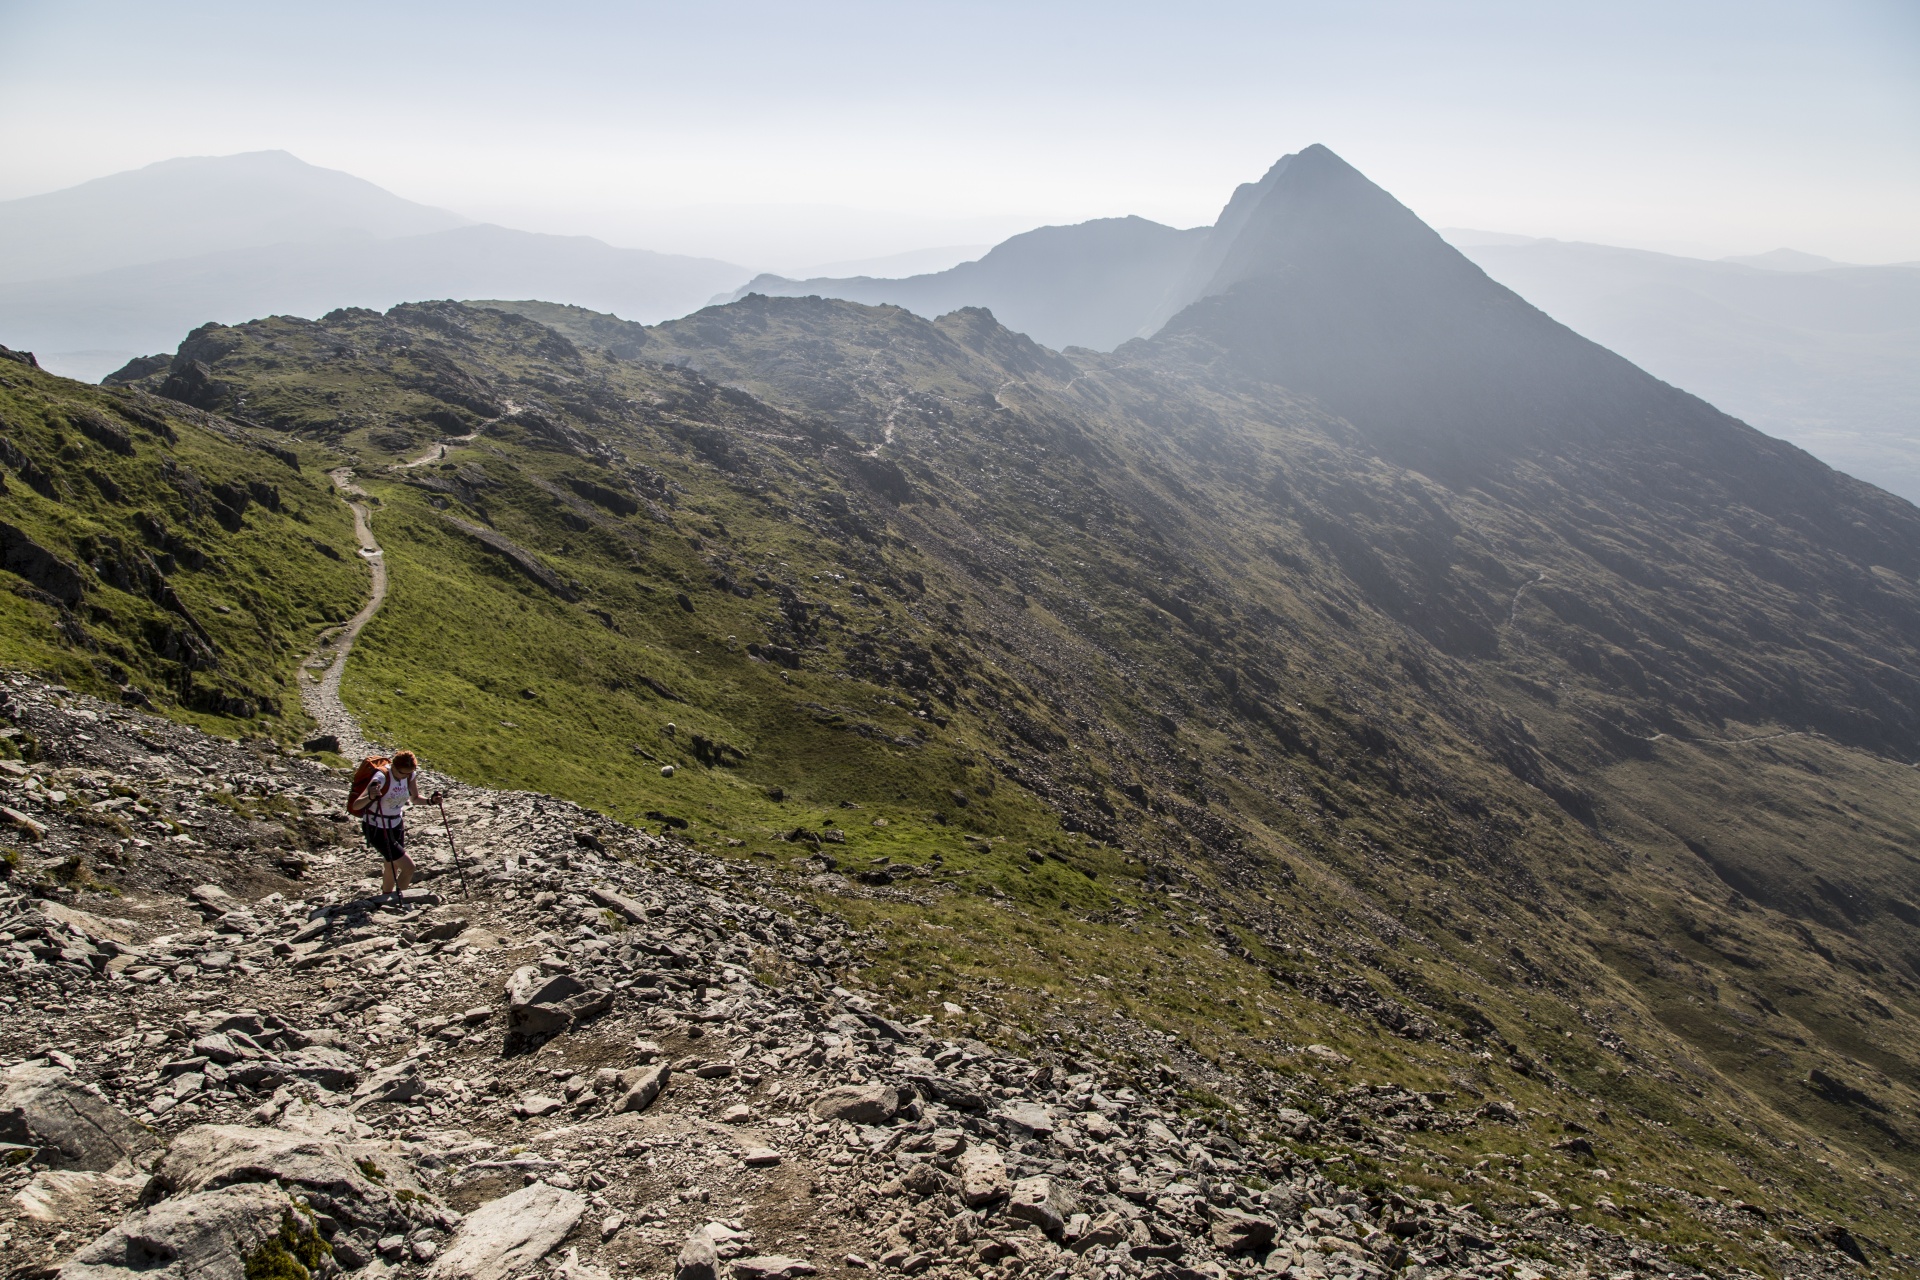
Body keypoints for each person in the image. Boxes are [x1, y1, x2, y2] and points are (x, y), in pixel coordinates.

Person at [348, 750, 444, 898]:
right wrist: (371, 796)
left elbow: (415, 799)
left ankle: (386, 897)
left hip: (396, 825)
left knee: (391, 864)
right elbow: (356, 805)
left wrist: (431, 801)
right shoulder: (381, 776)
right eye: (402, 773)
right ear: (393, 766)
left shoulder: (410, 775)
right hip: (376, 828)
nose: (405, 777)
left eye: (409, 773)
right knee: (409, 867)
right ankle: (399, 900)